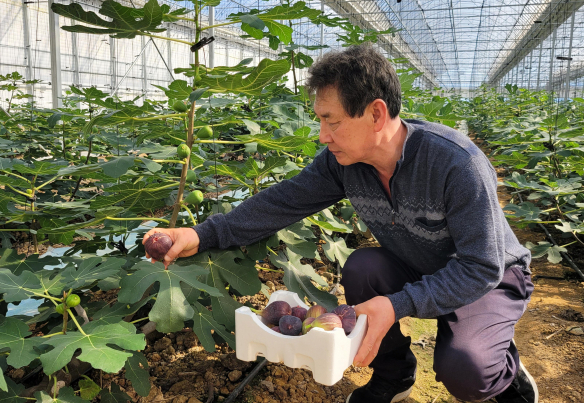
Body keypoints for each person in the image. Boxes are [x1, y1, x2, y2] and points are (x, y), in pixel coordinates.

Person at [143, 44, 538, 403]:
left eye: (331, 121)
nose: (322, 135)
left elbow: (481, 265)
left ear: (376, 113)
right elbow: (282, 201)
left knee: (466, 372)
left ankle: (507, 378)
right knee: (363, 268)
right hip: (418, 264)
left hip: (486, 278)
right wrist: (199, 233)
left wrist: (398, 303)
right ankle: (394, 376)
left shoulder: (456, 163)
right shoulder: (342, 163)